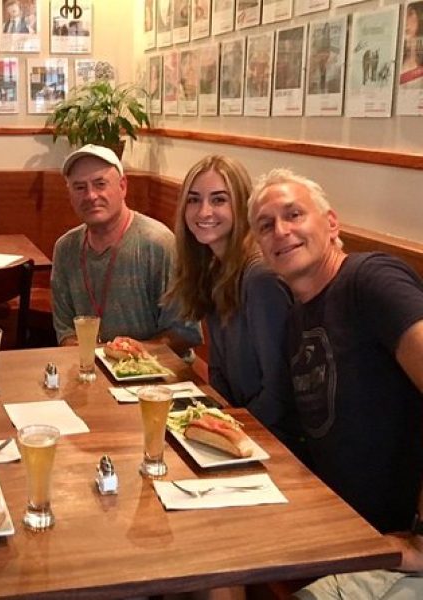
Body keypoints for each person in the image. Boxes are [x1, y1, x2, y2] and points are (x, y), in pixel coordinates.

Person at [248, 169, 423, 599]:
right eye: (265, 225)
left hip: (397, 548)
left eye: (293, 214)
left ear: (331, 224)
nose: (281, 231)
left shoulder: (370, 280)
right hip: (343, 531)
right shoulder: (296, 320)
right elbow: (290, 433)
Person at [163, 156, 294, 439]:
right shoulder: (214, 269)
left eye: (219, 200)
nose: (204, 211)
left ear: (242, 205)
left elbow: (279, 393)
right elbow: (219, 372)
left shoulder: (260, 277)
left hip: (275, 439)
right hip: (239, 422)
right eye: (194, 200)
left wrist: (229, 433)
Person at [51, 144, 202, 354]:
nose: (91, 195)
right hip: (91, 372)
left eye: (100, 184)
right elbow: (65, 331)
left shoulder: (159, 243)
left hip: (156, 375)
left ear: (122, 186)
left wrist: (135, 351)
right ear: (70, 194)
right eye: (79, 187)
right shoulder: (65, 249)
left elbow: (186, 332)